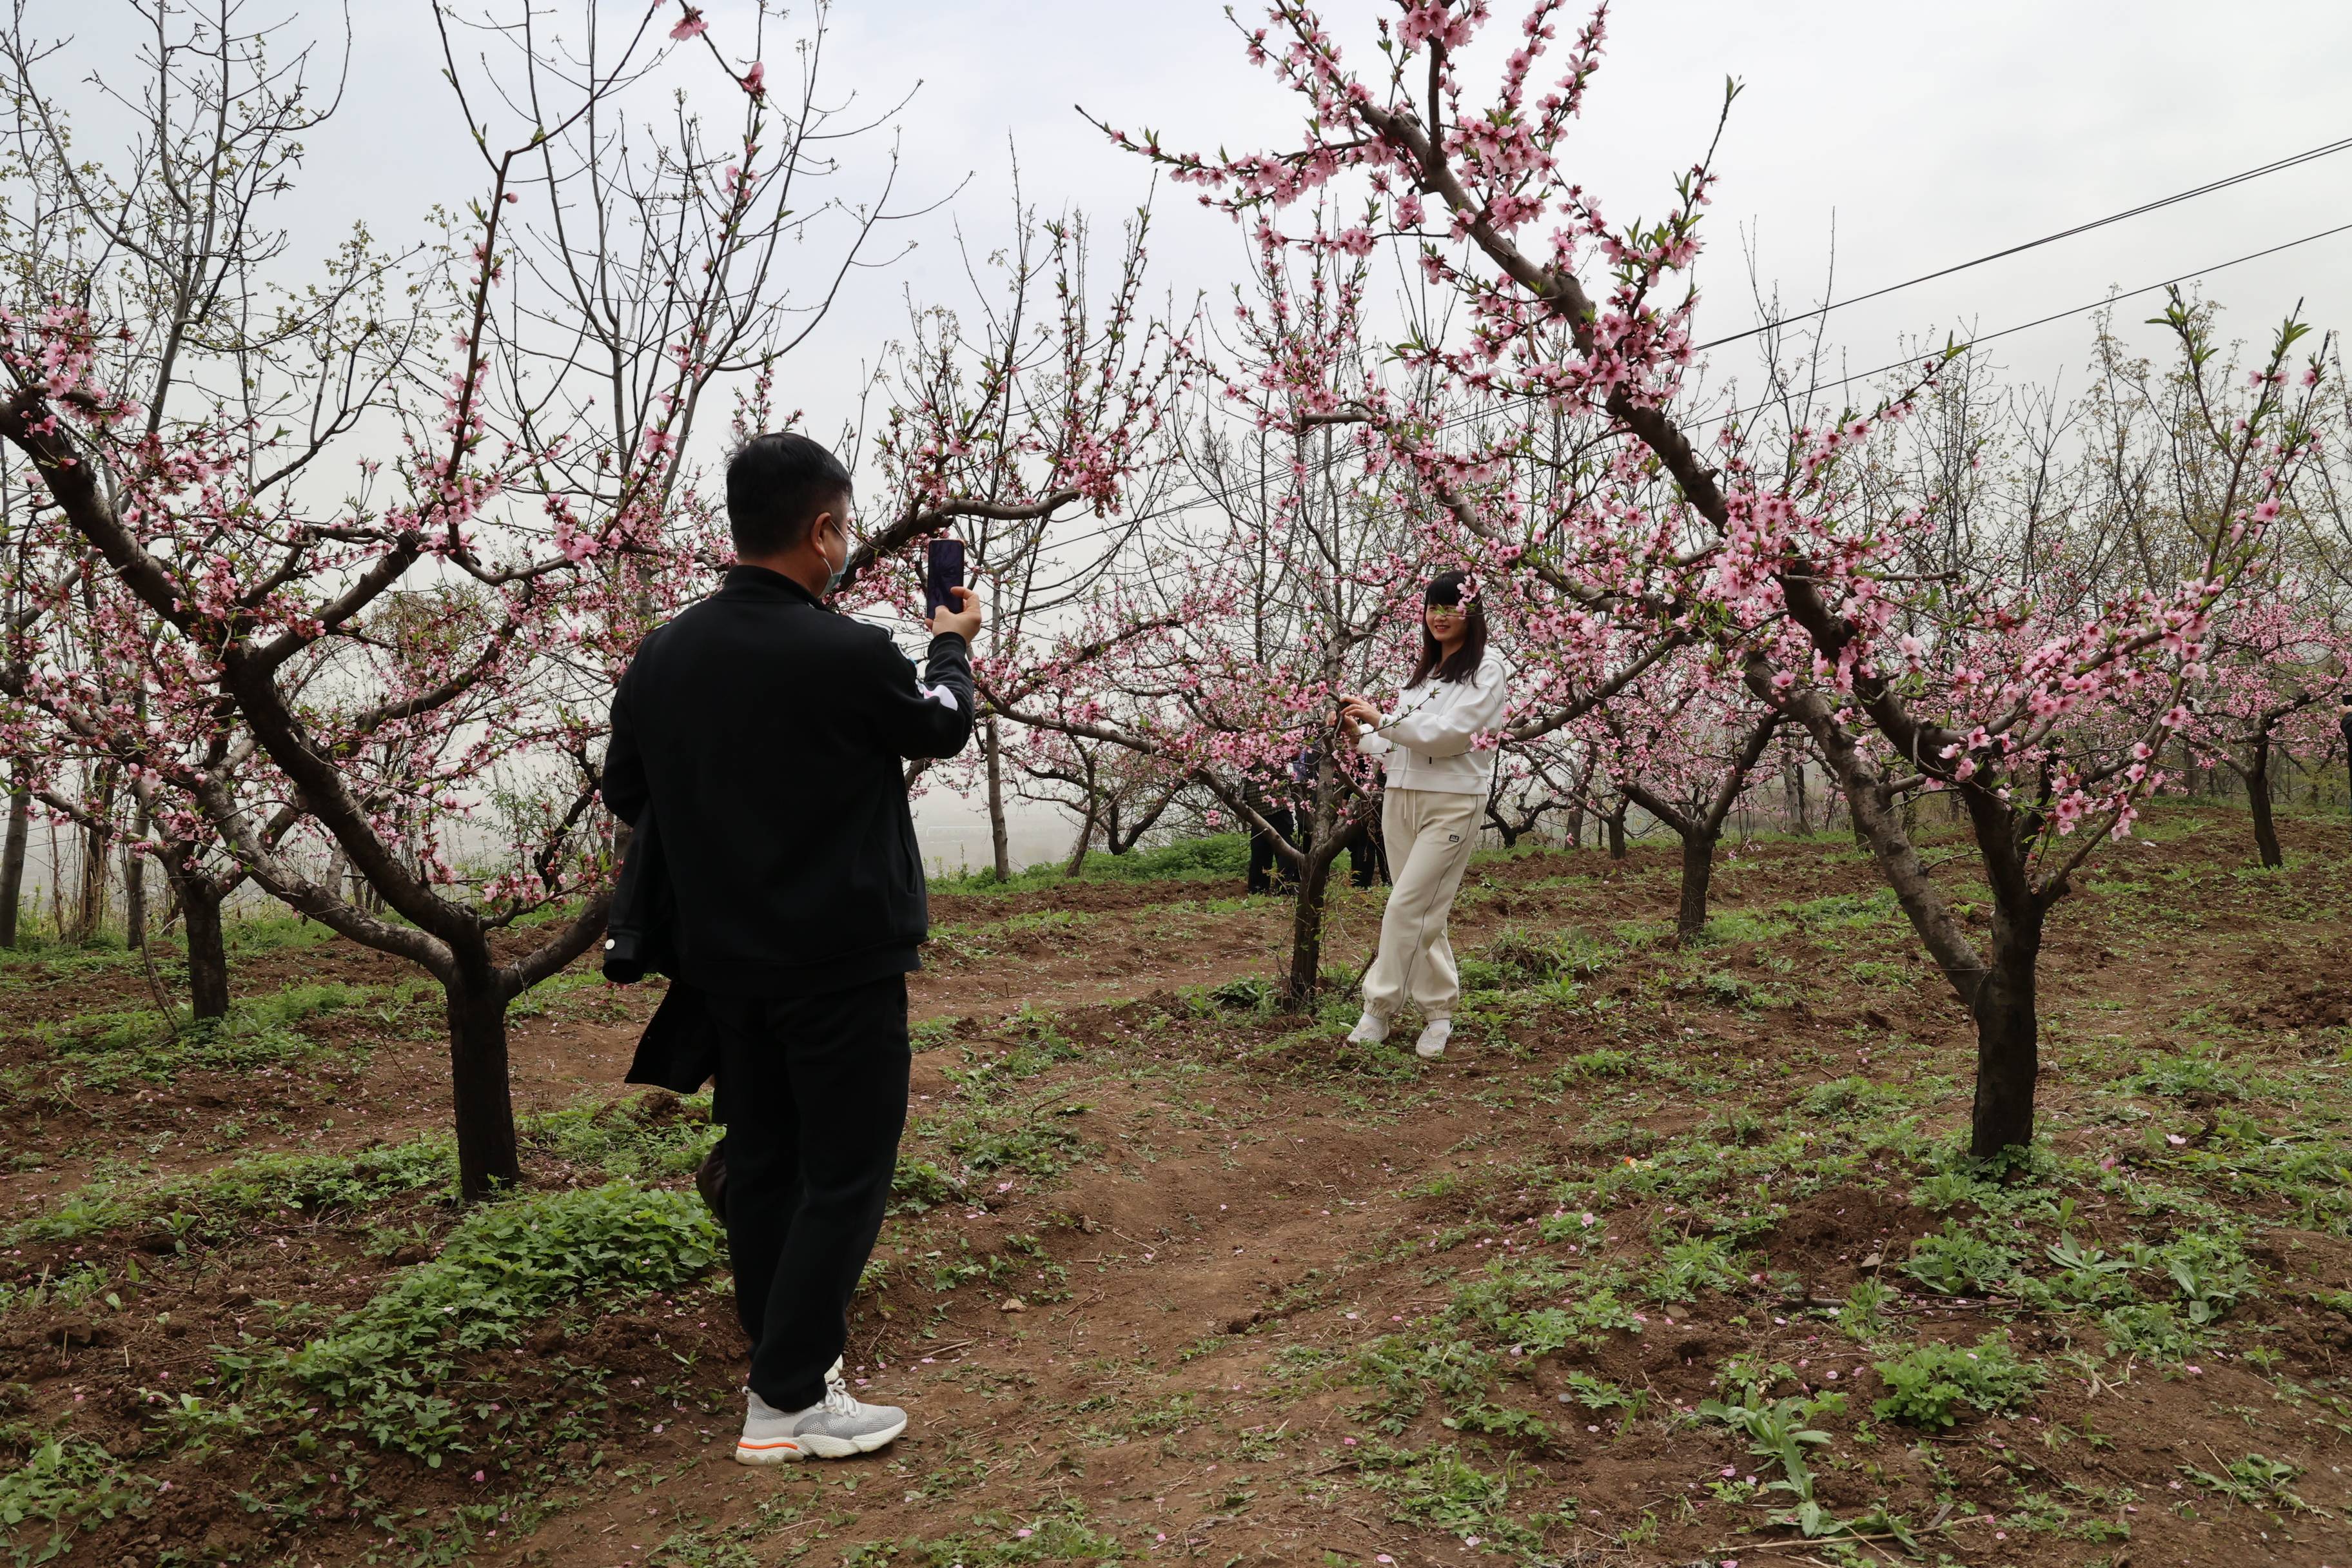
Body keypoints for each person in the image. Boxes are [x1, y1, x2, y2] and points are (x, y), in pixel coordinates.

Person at [602, 431, 981, 1465]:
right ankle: (784, 1397)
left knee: (765, 1162)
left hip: (727, 964)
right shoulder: (847, 652)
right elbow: (941, 726)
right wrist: (954, 640)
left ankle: (786, 1369)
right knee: (848, 1170)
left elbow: (627, 791)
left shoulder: (664, 655)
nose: (845, 548)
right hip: (841, 962)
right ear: (821, 529)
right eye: (845, 529)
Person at [1335, 571, 1510, 1060]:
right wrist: (1362, 737)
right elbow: (1402, 744)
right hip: (1402, 797)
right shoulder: (1423, 677)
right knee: (1422, 909)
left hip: (1452, 801)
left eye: (1450, 606)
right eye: (1432, 606)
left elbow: (1451, 736)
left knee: (1406, 907)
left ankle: (1379, 1008)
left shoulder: (1489, 669)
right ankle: (1440, 1012)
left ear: (1471, 612)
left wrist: (1381, 719)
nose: (1439, 616)